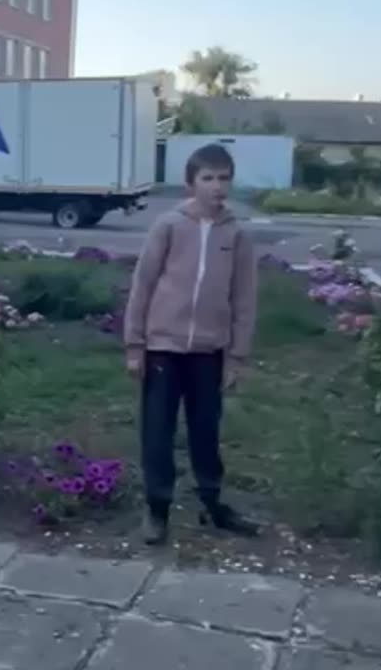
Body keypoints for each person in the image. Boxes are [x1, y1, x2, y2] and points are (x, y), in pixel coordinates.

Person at [122, 143, 260, 546]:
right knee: (158, 433)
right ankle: (157, 510)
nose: (217, 186)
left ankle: (212, 504)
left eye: (224, 178)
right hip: (163, 349)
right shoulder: (169, 226)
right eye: (208, 178)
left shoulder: (236, 235)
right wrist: (135, 346)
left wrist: (237, 357)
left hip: (208, 353)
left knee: (205, 431)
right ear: (190, 183)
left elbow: (245, 299)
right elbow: (143, 285)